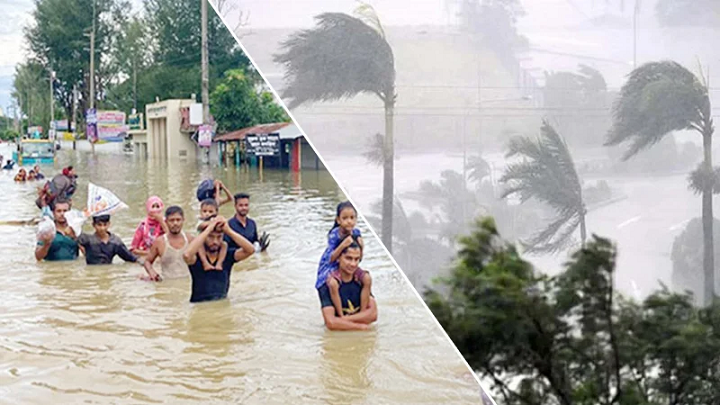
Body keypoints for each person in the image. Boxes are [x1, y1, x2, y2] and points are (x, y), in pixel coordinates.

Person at [182, 215, 255, 303]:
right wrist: (209, 228)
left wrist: (229, 231)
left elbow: (250, 250)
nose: (215, 242)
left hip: (222, 304)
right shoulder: (196, 257)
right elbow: (186, 255)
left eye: (219, 237)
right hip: (199, 306)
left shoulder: (227, 255)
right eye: (210, 237)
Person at [316, 201, 364, 318]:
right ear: (338, 220)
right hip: (330, 266)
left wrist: (362, 247)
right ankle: (340, 314)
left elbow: (359, 258)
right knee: (332, 283)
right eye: (345, 218)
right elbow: (331, 258)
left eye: (352, 218)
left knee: (365, 278)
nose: (349, 221)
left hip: (346, 265)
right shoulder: (334, 235)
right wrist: (343, 245)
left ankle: (362, 311)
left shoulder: (357, 233)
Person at [319, 242, 377, 331]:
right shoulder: (327, 285)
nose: (353, 264)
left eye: (356, 259)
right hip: (342, 335)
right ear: (338, 258)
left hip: (349, 328)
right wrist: (360, 327)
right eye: (348, 258)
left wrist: (342, 320)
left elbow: (373, 315)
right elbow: (331, 323)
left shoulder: (362, 280)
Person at [142, 206, 191, 281]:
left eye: (178, 220)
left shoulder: (190, 239)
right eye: (172, 220)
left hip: (187, 282)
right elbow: (147, 261)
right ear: (166, 222)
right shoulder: (159, 242)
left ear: (183, 220)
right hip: (166, 282)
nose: (175, 223)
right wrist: (152, 273)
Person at [196, 198, 227, 271]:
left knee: (224, 245)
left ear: (216, 213)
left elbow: (225, 223)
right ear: (200, 212)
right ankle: (205, 263)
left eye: (210, 211)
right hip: (202, 243)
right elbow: (201, 226)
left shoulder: (217, 219)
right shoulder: (200, 221)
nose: (207, 214)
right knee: (200, 246)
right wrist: (214, 223)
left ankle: (219, 263)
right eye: (204, 211)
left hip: (216, 243)